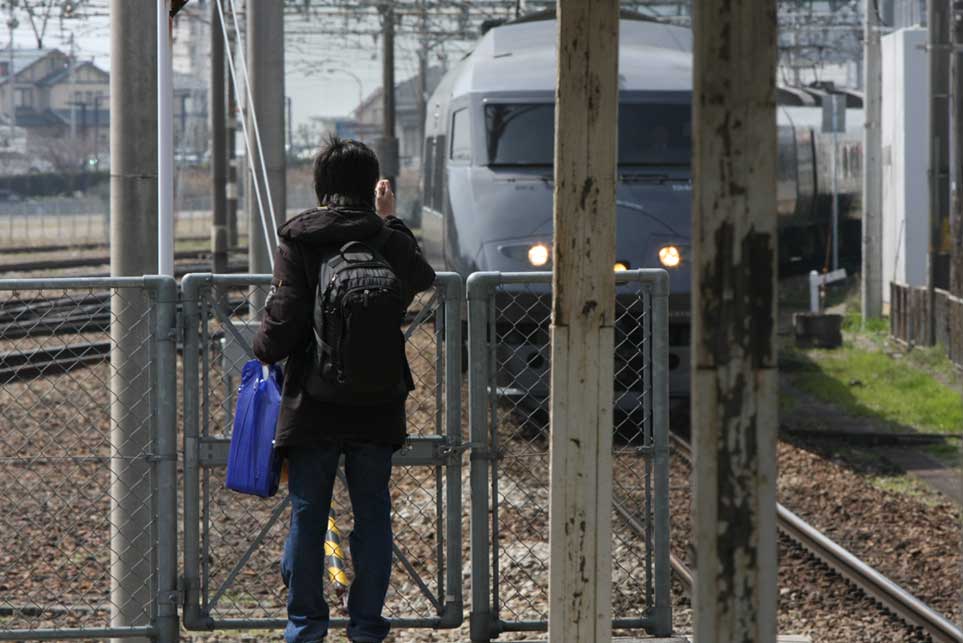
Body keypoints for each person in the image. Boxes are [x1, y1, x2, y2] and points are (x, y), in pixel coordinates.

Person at [253, 136, 435, 643]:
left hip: (312, 403)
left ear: (320, 186)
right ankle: (367, 628)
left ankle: (305, 628)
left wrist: (261, 347)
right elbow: (423, 277)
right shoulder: (387, 237)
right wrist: (391, 219)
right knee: (373, 514)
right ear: (371, 185)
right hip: (378, 403)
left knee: (307, 516)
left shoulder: (300, 239)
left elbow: (283, 323)